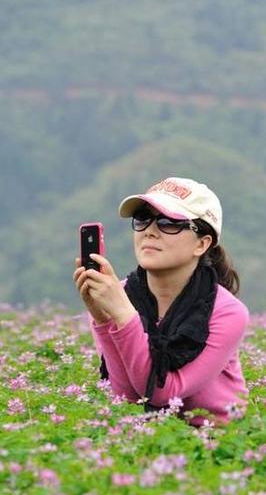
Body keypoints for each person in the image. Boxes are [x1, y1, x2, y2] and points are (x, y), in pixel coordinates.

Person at [73, 177, 250, 427]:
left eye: (169, 223)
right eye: (143, 219)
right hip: (145, 433)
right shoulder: (114, 295)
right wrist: (103, 320)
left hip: (215, 438)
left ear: (202, 244)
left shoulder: (228, 312)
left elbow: (163, 393)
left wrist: (124, 316)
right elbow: (127, 398)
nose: (150, 231)